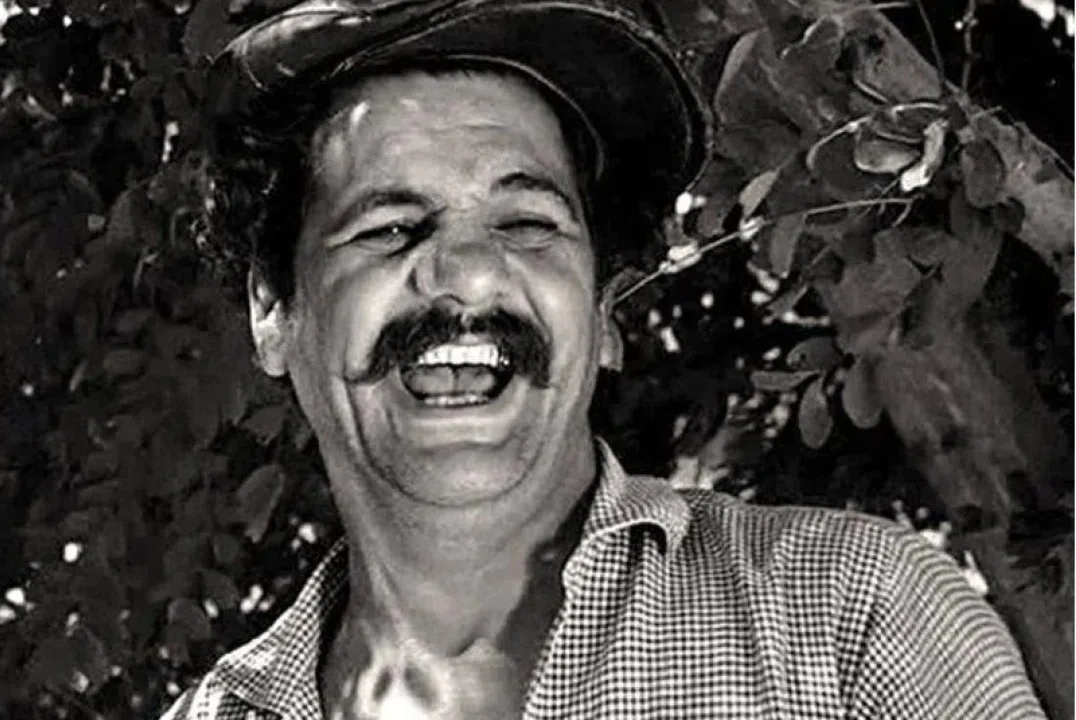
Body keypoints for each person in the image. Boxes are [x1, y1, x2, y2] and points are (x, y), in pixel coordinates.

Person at [163, 0, 1046, 717]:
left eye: (527, 223)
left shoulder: (855, 619)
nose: (470, 274)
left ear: (603, 308)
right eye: (389, 227)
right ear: (273, 311)